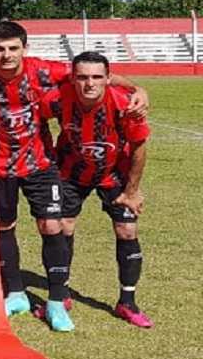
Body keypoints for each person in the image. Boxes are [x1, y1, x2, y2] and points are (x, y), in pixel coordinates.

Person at [0, 21, 149, 332]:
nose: (6, 55)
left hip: (39, 161)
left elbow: (94, 76)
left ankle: (57, 302)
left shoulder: (45, 71)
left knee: (51, 224)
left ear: (24, 48)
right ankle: (16, 293)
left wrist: (136, 88)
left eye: (13, 48)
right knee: (3, 225)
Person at [39, 51, 153, 328]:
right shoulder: (56, 100)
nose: (89, 83)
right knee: (62, 226)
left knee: (127, 230)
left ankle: (127, 302)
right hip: (70, 172)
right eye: (82, 77)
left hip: (114, 174)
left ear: (107, 78)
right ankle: (61, 293)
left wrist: (132, 190)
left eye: (96, 77)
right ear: (72, 78)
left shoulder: (126, 104)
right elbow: (37, 121)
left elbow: (139, 147)